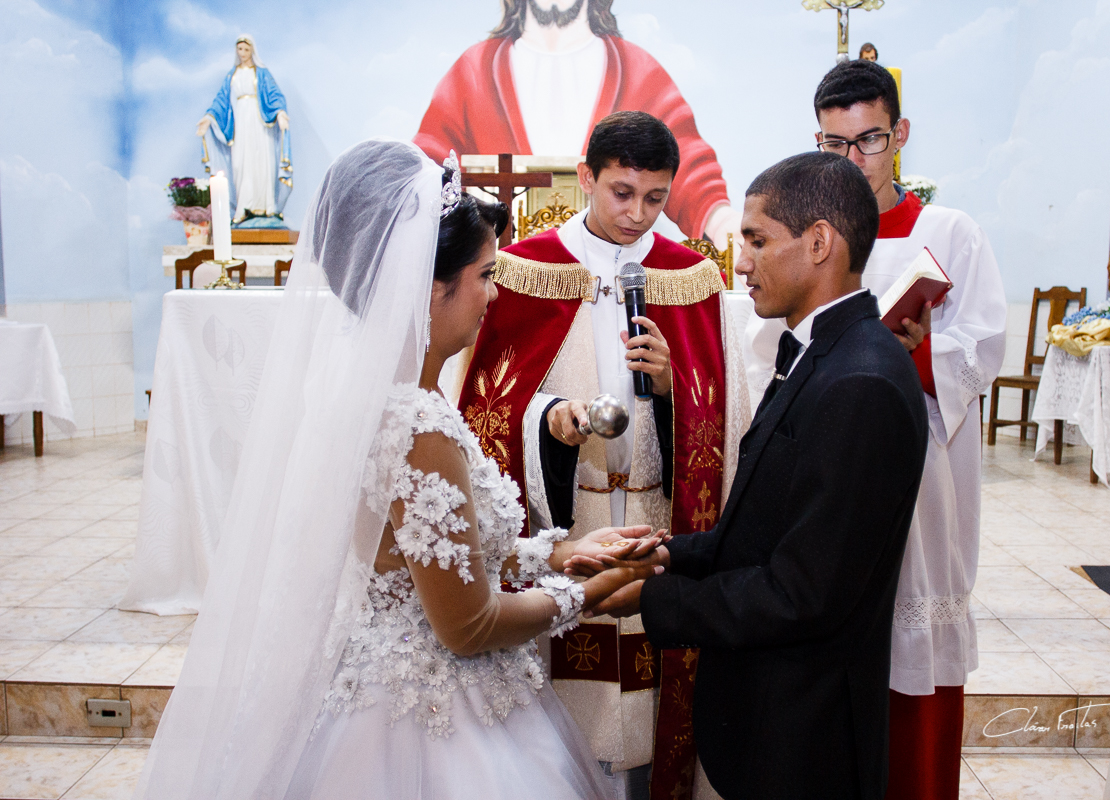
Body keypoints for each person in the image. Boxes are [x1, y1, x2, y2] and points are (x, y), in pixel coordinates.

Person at [132, 140, 662, 800]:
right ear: (430, 288)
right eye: (484, 275)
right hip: (430, 718)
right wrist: (592, 592)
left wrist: (565, 554)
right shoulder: (417, 425)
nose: (493, 295)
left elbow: (428, 557)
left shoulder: (387, 396)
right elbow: (466, 627)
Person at [576, 152, 929, 799]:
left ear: (819, 243)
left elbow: (803, 593)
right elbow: (767, 528)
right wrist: (666, 553)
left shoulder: (862, 382)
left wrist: (651, 599)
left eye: (758, 241)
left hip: (808, 737)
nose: (741, 264)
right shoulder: (827, 353)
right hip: (773, 717)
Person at [458, 111, 750, 800]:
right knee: (567, 725)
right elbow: (487, 409)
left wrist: (675, 387)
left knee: (649, 709)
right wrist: (549, 419)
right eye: (622, 193)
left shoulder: (690, 276)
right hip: (566, 523)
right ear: (586, 177)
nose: (637, 215)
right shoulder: (524, 270)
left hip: (655, 518)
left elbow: (725, 414)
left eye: (655, 198)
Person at [745, 60, 1007, 800]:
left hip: (922, 480)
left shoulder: (948, 232)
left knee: (910, 685)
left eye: (870, 140)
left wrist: (915, 352)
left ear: (901, 134)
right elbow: (769, 351)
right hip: (832, 473)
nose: (854, 159)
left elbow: (983, 348)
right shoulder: (808, 234)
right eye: (835, 143)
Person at [413, 0, 737, 244]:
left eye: (650, 200)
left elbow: (688, 166)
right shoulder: (475, 69)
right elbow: (427, 166)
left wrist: (722, 222)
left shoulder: (636, 68)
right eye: (621, 193)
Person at [196, 35, 293, 226]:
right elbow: (221, 101)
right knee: (241, 163)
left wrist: (280, 113)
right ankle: (243, 207)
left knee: (262, 162)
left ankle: (266, 208)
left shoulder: (261, 73)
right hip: (240, 122)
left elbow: (274, 95)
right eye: (239, 49)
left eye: (246, 50)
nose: (242, 53)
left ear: (252, 51)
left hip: (259, 124)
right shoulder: (232, 75)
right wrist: (208, 118)